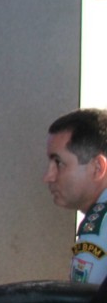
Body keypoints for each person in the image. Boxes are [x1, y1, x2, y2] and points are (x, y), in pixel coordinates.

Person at [44, 108, 107, 285]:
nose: (48, 176)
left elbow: (82, 298)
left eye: (58, 162)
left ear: (97, 168)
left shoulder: (100, 226)